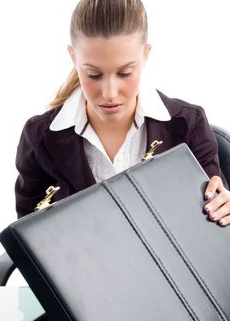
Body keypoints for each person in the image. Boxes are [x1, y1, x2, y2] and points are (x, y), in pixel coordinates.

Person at [15, 0, 230, 226]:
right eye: (93, 75)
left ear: (146, 55)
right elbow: (30, 237)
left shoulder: (189, 124)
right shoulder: (39, 137)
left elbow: (214, 227)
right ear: (73, 57)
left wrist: (225, 210)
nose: (109, 93)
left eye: (125, 73)